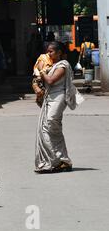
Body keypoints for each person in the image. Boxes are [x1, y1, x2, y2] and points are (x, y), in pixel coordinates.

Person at [34, 41, 83, 173]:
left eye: (51, 51)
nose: (48, 53)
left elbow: (50, 80)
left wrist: (41, 70)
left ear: (59, 52)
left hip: (59, 97)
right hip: (49, 98)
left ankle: (62, 160)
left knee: (51, 124)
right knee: (47, 129)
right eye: (47, 51)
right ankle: (54, 160)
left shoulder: (63, 65)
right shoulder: (51, 65)